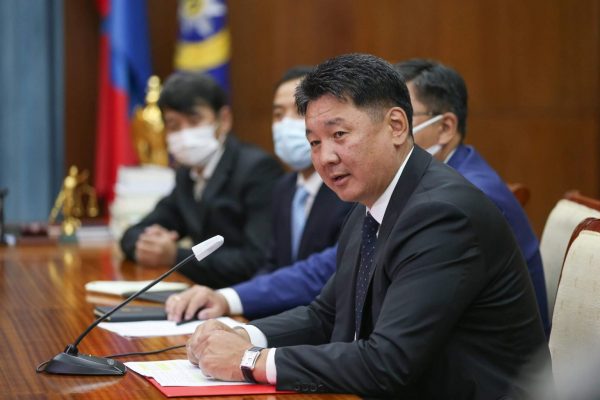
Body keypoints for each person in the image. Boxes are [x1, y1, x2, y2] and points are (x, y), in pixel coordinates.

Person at [185, 54, 550, 398]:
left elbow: (388, 362)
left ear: (396, 126)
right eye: (314, 142)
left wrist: (250, 361)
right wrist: (243, 333)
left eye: (339, 135)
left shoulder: (441, 214)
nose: (325, 158)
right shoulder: (373, 202)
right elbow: (325, 315)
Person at [166, 66, 352, 321]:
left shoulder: (349, 189)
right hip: (282, 323)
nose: (285, 124)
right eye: (278, 114)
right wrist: (232, 307)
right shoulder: (285, 187)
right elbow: (270, 266)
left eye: (299, 111)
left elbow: (325, 275)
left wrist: (232, 300)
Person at [394, 59, 550, 335]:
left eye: (400, 120)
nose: (389, 134)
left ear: (445, 127)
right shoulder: (434, 180)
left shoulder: (464, 199)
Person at [120, 71, 283, 288]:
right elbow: (134, 232)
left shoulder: (257, 169)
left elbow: (257, 260)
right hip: (200, 293)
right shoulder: (186, 174)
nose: (184, 134)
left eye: (194, 121)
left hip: (244, 298)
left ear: (223, 120)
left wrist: (175, 255)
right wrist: (146, 244)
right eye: (174, 125)